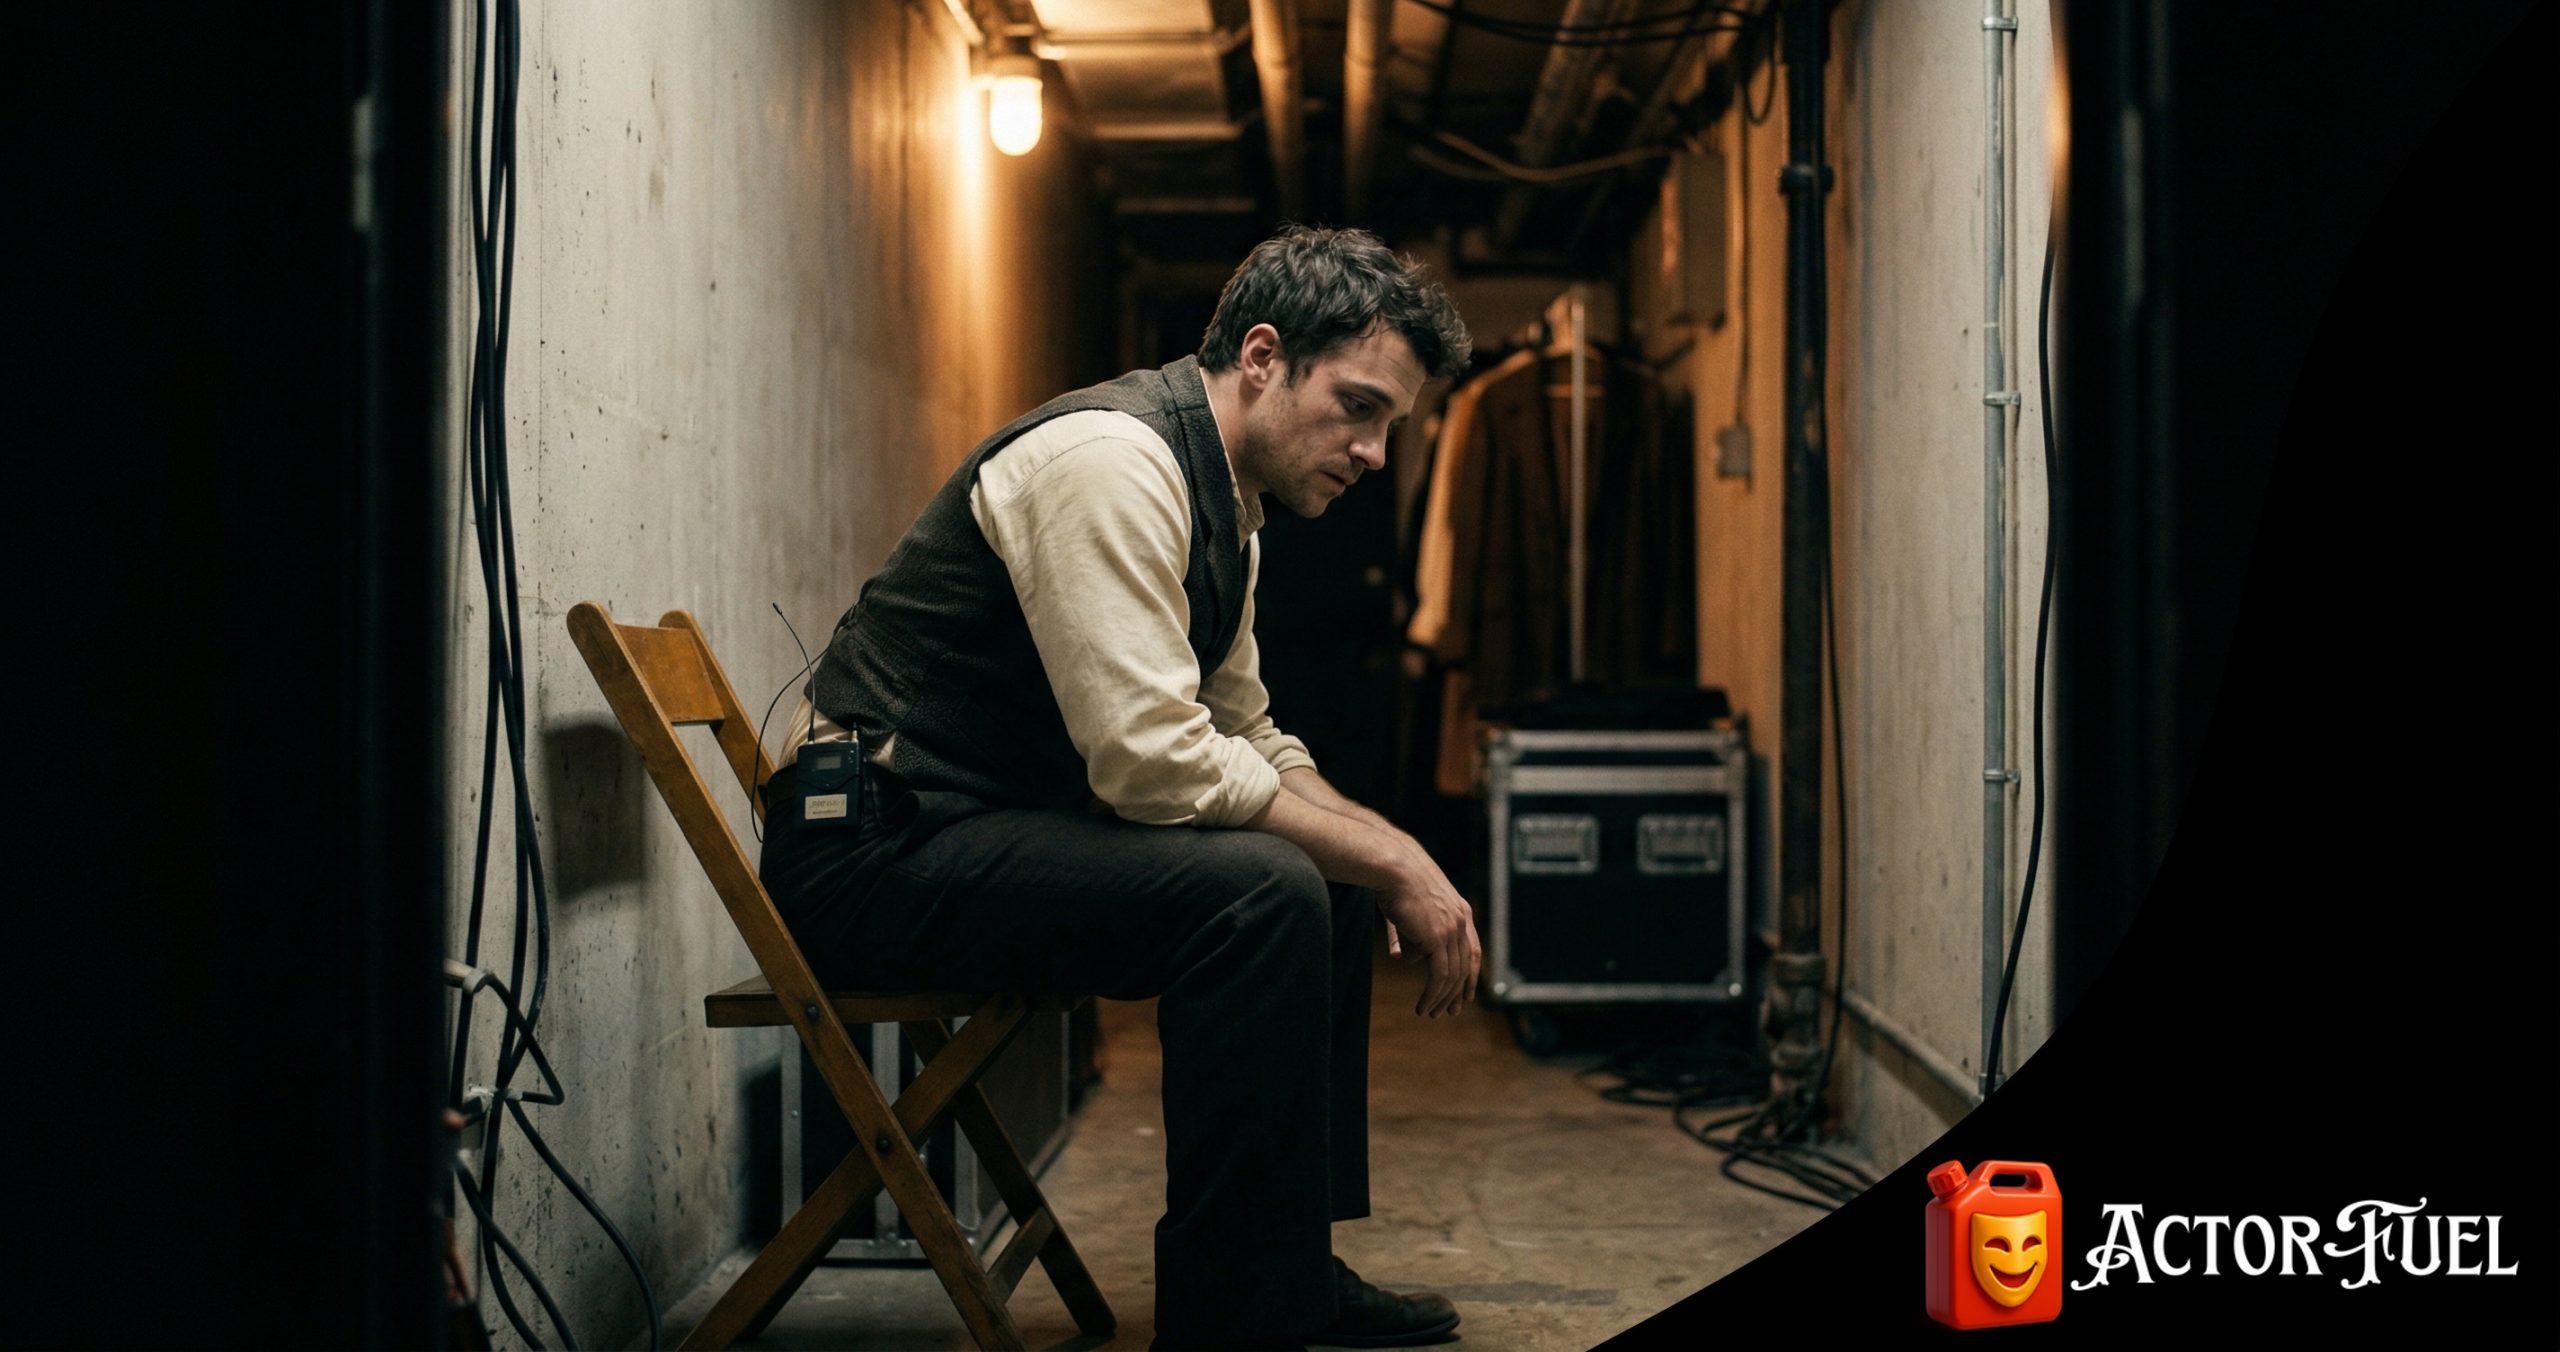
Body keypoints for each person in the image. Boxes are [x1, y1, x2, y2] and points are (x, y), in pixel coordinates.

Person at [757, 224, 1481, 1350]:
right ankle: (1233, 1314)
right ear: (1259, 354)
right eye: (1358, 407)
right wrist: (1390, 855)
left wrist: (1386, 850)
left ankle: (1281, 1264)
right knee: (1265, 891)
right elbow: (1153, 763)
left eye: (1389, 421)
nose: (1376, 452)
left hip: (969, 831)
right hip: (870, 855)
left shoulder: (1227, 505)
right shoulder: (1112, 463)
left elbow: (1246, 729)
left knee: (1320, 879)